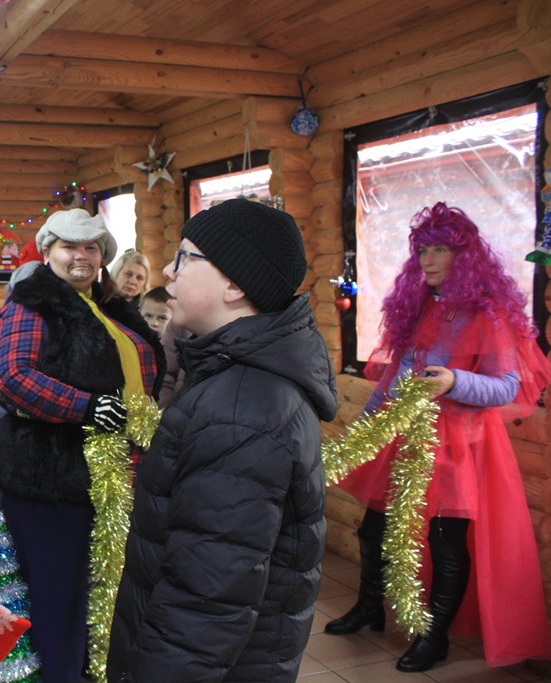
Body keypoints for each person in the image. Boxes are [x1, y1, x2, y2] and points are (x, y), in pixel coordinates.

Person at [107, 198, 338, 682]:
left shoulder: (242, 411)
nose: (168, 270)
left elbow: (205, 600)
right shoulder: (230, 380)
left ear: (235, 284)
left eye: (187, 257)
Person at [328, 202, 551, 672]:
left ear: (464, 255)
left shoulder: (486, 316)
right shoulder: (423, 304)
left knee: (445, 542)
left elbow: (507, 387)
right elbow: (394, 377)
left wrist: (454, 381)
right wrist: (368, 426)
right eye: (422, 250)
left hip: (456, 445)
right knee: (373, 528)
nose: (427, 260)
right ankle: (371, 606)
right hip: (400, 434)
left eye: (440, 249)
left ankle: (436, 636)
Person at [0, 209, 163, 683]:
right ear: (48, 252)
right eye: (69, 246)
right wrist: (84, 406)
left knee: (99, 592)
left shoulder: (107, 307)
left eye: (91, 247)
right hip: (51, 475)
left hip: (111, 474)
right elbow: (14, 375)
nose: (80, 256)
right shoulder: (33, 303)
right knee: (59, 595)